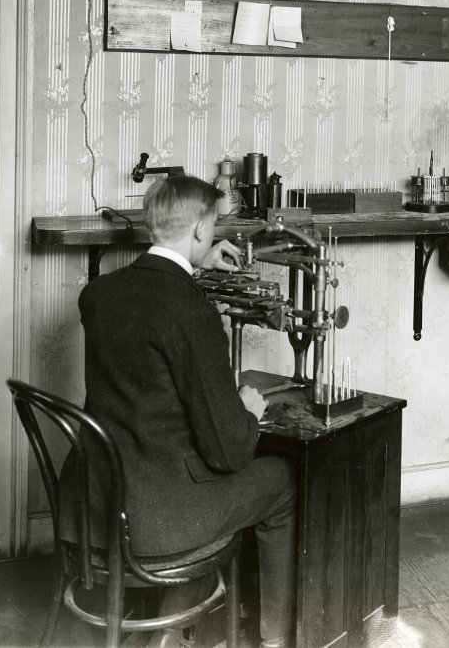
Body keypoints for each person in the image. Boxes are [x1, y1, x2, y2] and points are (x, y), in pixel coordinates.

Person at [58, 175, 295, 648]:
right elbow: (228, 452)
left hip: (92, 507)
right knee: (281, 481)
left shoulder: (98, 295)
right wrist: (246, 412)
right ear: (203, 231)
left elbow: (149, 317)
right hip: (156, 528)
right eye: (211, 228)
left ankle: (171, 628)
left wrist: (195, 257)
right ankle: (274, 638)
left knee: (191, 483)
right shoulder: (192, 314)